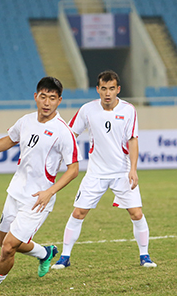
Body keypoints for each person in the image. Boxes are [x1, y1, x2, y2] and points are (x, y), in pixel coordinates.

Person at [0, 77, 79, 296]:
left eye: (52, 98)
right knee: (4, 241)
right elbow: (10, 140)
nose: (47, 102)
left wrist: (50, 191)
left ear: (60, 101)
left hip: (38, 199)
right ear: (35, 97)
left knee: (8, 248)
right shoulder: (26, 121)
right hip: (15, 192)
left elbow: (73, 169)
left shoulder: (63, 132)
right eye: (43, 96)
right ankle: (45, 253)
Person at [52, 70, 155, 270]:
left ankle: (145, 256)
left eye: (112, 89)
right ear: (98, 89)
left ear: (118, 89)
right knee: (79, 212)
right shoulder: (87, 110)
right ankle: (65, 257)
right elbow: (70, 133)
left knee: (136, 213)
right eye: (104, 89)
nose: (108, 93)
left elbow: (133, 140)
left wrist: (133, 169)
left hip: (122, 172)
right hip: (96, 173)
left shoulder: (128, 110)